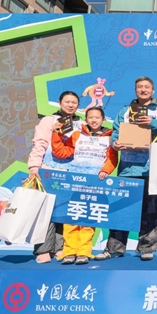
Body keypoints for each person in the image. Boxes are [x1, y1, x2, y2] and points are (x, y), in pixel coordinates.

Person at [95, 76, 157, 261]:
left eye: (147, 87)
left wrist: (153, 123)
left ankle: (146, 247)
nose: (143, 90)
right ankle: (115, 248)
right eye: (140, 87)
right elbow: (116, 132)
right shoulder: (124, 111)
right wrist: (115, 143)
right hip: (127, 168)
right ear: (135, 90)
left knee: (150, 209)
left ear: (153, 91)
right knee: (122, 209)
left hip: (151, 168)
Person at [51, 107, 118, 265]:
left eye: (97, 117)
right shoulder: (76, 134)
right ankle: (69, 251)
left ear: (103, 120)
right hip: (75, 182)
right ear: (86, 119)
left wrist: (105, 170)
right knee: (71, 217)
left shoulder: (109, 137)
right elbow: (61, 152)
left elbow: (112, 158)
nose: (94, 120)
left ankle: (83, 251)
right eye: (90, 117)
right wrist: (56, 134)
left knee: (88, 218)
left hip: (95, 183)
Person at [27, 91, 82, 264]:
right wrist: (34, 166)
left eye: (74, 102)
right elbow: (40, 143)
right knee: (46, 211)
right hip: (49, 170)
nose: (71, 105)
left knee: (64, 211)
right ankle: (43, 249)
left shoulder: (81, 123)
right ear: (60, 102)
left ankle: (60, 247)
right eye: (67, 101)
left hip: (71, 173)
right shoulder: (48, 120)